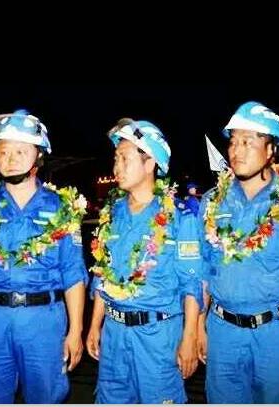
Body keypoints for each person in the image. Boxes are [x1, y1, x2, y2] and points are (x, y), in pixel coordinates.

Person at [0, 109, 87, 403]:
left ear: (38, 156)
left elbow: (73, 273)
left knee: (46, 397)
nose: (10, 159)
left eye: (20, 151)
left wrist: (75, 330)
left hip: (43, 323)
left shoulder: (62, 208)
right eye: (3, 151)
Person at [197, 101, 279, 403]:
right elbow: (204, 271)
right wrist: (199, 325)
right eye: (233, 141)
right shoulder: (212, 202)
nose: (236, 151)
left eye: (248, 142)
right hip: (223, 333)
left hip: (276, 333)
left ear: (271, 150)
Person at [86, 118, 202, 404]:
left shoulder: (179, 217)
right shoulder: (111, 214)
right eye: (116, 159)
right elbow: (102, 275)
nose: (116, 167)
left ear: (150, 163)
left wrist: (189, 338)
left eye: (125, 159)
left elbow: (191, 284)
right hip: (114, 336)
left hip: (158, 338)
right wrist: (95, 325)